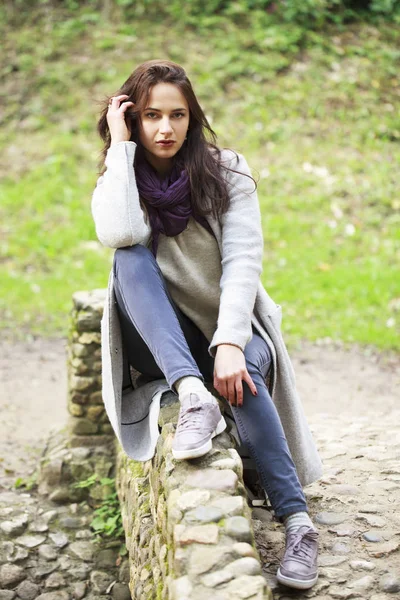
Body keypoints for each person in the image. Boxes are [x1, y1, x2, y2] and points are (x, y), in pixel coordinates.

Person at [92, 59, 322, 590]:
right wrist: (122, 148)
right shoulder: (118, 180)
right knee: (128, 257)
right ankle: (193, 394)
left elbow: (243, 264)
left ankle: (298, 524)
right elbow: (123, 231)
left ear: (193, 119)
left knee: (242, 379)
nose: (165, 129)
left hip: (231, 333)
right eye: (150, 116)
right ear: (133, 118)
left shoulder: (229, 173)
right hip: (164, 343)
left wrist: (229, 341)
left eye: (177, 115)